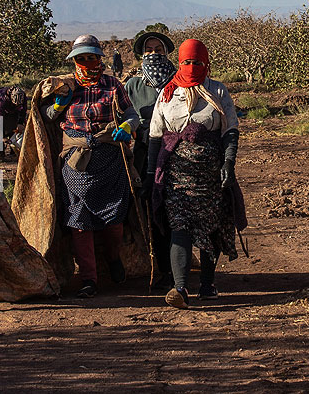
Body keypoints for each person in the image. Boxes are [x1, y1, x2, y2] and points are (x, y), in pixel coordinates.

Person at [40, 34, 141, 298]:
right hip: (76, 161)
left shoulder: (112, 84)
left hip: (110, 158)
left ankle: (113, 257)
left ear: (99, 59)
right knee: (79, 221)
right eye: (81, 58)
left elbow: (132, 114)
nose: (86, 63)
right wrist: (59, 103)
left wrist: (127, 127)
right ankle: (89, 279)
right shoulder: (65, 86)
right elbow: (46, 116)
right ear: (74, 61)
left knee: (114, 218)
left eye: (91, 57)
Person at [146, 39, 240, 308]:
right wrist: (153, 174)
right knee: (180, 226)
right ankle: (180, 289)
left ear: (206, 63)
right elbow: (155, 135)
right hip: (177, 176)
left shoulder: (218, 91)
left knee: (211, 228)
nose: (191, 67)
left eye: (197, 62)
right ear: (179, 63)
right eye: (186, 62)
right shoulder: (167, 93)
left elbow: (229, 130)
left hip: (210, 176)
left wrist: (228, 163)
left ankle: (208, 284)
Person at [124, 30, 177, 291]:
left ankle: (173, 269)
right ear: (141, 54)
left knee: (172, 208)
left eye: (159, 49)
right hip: (145, 150)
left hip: (177, 150)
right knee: (148, 208)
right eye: (149, 49)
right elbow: (122, 114)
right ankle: (153, 266)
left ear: (167, 52)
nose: (154, 53)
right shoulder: (132, 85)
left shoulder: (180, 80)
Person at [0, 85, 27, 158]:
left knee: (14, 123)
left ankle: (14, 149)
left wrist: (20, 123)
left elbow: (23, 111)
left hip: (12, 108)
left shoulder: (23, 97)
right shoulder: (3, 98)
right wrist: (1, 136)